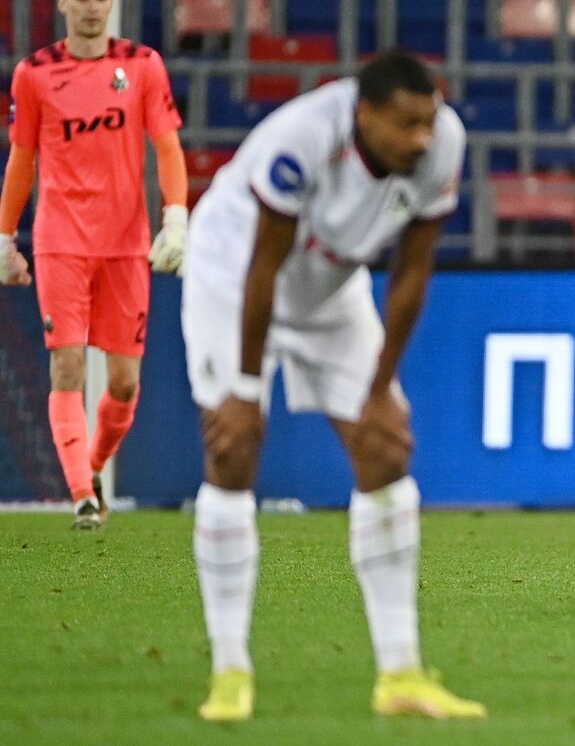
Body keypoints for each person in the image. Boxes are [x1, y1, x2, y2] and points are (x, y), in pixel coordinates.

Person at [181, 51, 484, 722]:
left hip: (332, 286)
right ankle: (230, 670)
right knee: (233, 451)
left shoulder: (443, 143)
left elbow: (412, 271)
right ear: (364, 114)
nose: (421, 139)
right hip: (235, 277)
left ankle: (400, 672)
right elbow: (265, 264)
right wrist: (244, 386)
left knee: (386, 450)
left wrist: (380, 387)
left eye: (428, 122)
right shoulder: (302, 139)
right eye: (406, 125)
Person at [0, 0, 188, 530]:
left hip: (126, 242)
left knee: (125, 381)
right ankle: (79, 495)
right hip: (61, 241)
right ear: (63, 4)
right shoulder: (35, 74)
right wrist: (5, 238)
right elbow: (22, 159)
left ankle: (93, 467)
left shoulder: (142, 66)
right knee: (68, 363)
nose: (93, 7)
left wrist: (176, 218)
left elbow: (168, 147)